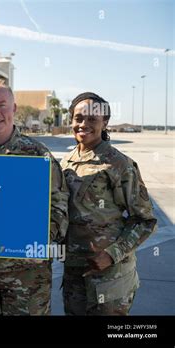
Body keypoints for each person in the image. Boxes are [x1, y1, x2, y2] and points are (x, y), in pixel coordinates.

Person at [0, 79, 69, 315]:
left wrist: (37, 242)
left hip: (27, 278)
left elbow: (59, 209)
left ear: (14, 108)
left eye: (2, 105)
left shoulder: (38, 156)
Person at [61, 92, 157, 315]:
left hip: (109, 278)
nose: (83, 124)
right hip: (74, 272)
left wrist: (111, 254)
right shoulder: (66, 161)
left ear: (105, 123)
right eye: (78, 118)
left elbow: (145, 221)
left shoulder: (119, 164)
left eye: (92, 119)